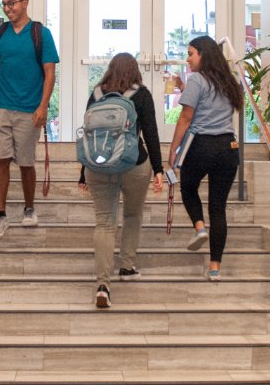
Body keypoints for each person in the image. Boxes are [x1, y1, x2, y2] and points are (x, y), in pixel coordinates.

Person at [77, 53, 164, 308]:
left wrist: (83, 172)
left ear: (110, 70)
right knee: (132, 215)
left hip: (98, 166)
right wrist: (158, 169)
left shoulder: (95, 94)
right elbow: (151, 133)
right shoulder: (142, 94)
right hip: (134, 164)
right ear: (135, 71)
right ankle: (127, 266)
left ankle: (103, 285)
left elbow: (89, 137)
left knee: (104, 222)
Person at [0, 0, 59, 239]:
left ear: (24, 3)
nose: (7, 8)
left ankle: (29, 209)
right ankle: (1, 215)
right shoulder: (0, 34)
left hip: (29, 110)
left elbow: (50, 73)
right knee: (0, 160)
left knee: (26, 163)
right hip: (3, 107)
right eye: (4, 4)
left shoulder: (40, 33)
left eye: (11, 3)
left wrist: (43, 106)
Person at [169, 35, 242, 282]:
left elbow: (186, 118)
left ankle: (199, 228)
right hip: (229, 147)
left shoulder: (197, 80)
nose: (188, 59)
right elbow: (211, 104)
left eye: (191, 54)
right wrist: (182, 87)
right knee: (218, 207)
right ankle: (215, 268)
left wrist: (173, 150)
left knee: (188, 187)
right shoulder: (228, 81)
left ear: (203, 54)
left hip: (202, 145)